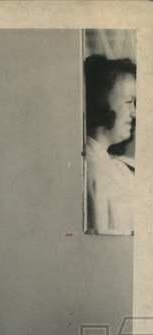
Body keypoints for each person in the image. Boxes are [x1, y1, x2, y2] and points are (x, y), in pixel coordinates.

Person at [84, 55, 136, 235]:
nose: (134, 112)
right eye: (129, 102)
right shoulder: (90, 172)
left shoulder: (119, 168)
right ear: (102, 101)